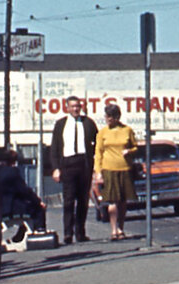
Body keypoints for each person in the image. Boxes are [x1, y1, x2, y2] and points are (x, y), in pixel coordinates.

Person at [49, 96, 100, 243]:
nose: (76, 109)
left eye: (78, 106)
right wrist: (56, 168)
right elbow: (54, 148)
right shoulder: (61, 124)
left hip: (84, 163)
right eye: (73, 106)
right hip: (68, 163)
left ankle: (80, 233)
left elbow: (97, 145)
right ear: (67, 108)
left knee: (83, 200)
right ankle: (67, 233)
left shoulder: (88, 123)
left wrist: (96, 166)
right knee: (68, 200)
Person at [93, 103, 140, 241]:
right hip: (109, 168)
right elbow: (98, 152)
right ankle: (113, 229)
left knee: (123, 201)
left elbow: (135, 147)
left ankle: (121, 227)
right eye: (106, 116)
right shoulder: (103, 132)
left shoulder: (127, 130)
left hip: (124, 168)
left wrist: (129, 151)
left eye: (110, 117)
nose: (108, 119)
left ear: (116, 117)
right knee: (112, 201)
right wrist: (98, 171)